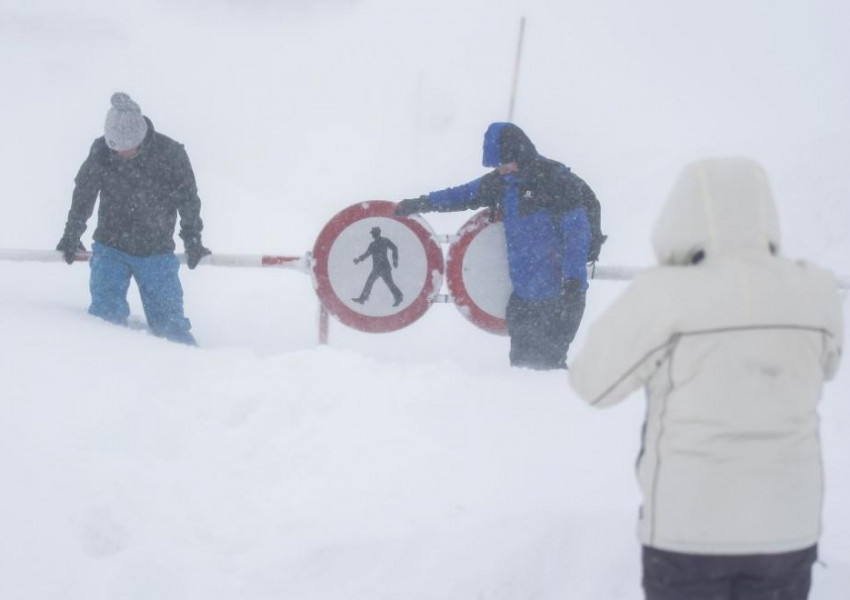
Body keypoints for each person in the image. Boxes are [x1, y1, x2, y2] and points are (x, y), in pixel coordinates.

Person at [568, 158, 843, 600]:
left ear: (681, 218)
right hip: (788, 527)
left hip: (688, 530)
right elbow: (828, 368)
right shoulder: (815, 289)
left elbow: (592, 384)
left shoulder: (664, 293)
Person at [396, 122, 604, 369]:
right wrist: (422, 203)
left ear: (521, 154)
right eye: (497, 165)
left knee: (547, 369)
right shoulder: (503, 183)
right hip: (523, 298)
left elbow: (576, 236)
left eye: (505, 162)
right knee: (521, 370)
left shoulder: (557, 182)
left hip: (558, 297)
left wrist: (572, 285)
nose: (501, 170)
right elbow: (461, 195)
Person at [56, 92, 211, 345]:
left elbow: (188, 199)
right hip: (110, 248)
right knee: (104, 323)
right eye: (116, 148)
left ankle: (185, 371)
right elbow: (84, 192)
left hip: (156, 252)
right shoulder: (101, 151)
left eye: (127, 148)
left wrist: (192, 237)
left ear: (140, 136)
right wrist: (72, 232)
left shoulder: (170, 153)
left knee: (170, 328)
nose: (122, 154)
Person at [352, 226, 404, 306]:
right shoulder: (373, 244)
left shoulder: (384, 241)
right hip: (378, 268)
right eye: (372, 234)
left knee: (388, 283)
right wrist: (358, 260)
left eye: (373, 233)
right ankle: (362, 299)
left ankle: (399, 297)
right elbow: (367, 254)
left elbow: (394, 248)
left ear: (377, 233)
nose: (372, 235)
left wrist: (395, 260)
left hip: (383, 267)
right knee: (371, 282)